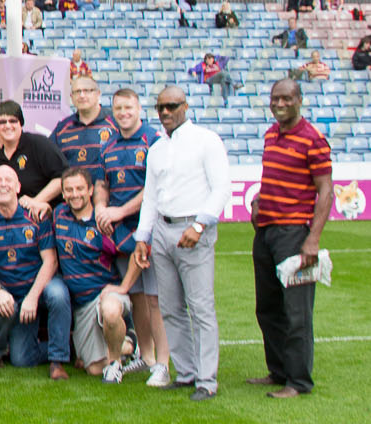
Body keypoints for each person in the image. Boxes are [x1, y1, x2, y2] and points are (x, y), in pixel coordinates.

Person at [133, 85, 231, 400]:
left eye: (172, 106)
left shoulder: (206, 141)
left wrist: (200, 225)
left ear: (185, 106)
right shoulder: (157, 149)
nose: (165, 112)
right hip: (163, 229)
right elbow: (151, 196)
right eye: (160, 107)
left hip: (193, 227)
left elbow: (221, 188)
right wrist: (143, 236)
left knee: (201, 307)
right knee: (170, 307)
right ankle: (186, 373)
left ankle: (206, 379)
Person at [250, 78, 333, 398]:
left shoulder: (313, 139)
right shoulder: (271, 134)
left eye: (287, 98)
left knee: (296, 312)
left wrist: (313, 239)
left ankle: (298, 381)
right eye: (275, 98)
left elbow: (325, 190)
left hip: (294, 233)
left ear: (299, 100)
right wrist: (258, 201)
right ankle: (279, 371)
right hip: (266, 231)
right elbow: (273, 178)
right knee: (267, 308)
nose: (280, 104)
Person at [97, 86, 169, 385]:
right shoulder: (108, 146)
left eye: (128, 108)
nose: (123, 113)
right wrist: (101, 207)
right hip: (123, 235)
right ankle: (146, 356)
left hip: (150, 231)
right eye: (118, 109)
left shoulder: (154, 140)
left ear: (139, 109)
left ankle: (163, 364)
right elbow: (102, 184)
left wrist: (119, 211)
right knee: (137, 298)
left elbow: (153, 189)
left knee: (155, 300)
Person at [0, 165, 72, 375]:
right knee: (21, 359)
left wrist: (33, 296)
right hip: (12, 294)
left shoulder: (36, 215)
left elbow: (50, 261)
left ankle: (58, 361)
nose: (3, 185)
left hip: (41, 286)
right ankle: (70, 346)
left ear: (18, 187)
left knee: (58, 294)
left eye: (8, 180)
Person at [51, 169, 142, 380]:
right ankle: (128, 345)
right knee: (92, 369)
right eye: (69, 190)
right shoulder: (59, 215)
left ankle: (115, 365)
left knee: (110, 311)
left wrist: (124, 287)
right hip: (82, 305)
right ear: (63, 193)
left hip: (105, 295)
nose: (75, 194)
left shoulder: (103, 222)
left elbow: (139, 251)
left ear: (90, 190)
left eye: (80, 189)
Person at [0, 100, 64, 219]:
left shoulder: (39, 144)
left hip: (42, 218)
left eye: (13, 121)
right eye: (2, 122)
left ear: (21, 123)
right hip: (9, 221)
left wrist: (36, 201)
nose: (7, 126)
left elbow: (62, 177)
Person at [52, 75, 118, 190]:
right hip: (74, 196)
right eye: (77, 92)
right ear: (71, 97)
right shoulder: (62, 128)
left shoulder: (116, 123)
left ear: (98, 94)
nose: (82, 95)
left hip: (108, 196)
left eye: (87, 90)